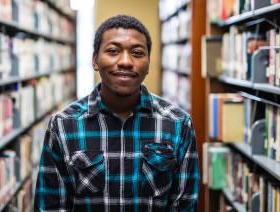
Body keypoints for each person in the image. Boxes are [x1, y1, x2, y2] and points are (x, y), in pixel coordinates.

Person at [34, 15, 200, 211]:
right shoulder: (63, 125)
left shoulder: (178, 125)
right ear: (95, 60)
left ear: (148, 63)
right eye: (113, 51)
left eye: (137, 53)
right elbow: (50, 206)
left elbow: (185, 205)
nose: (126, 62)